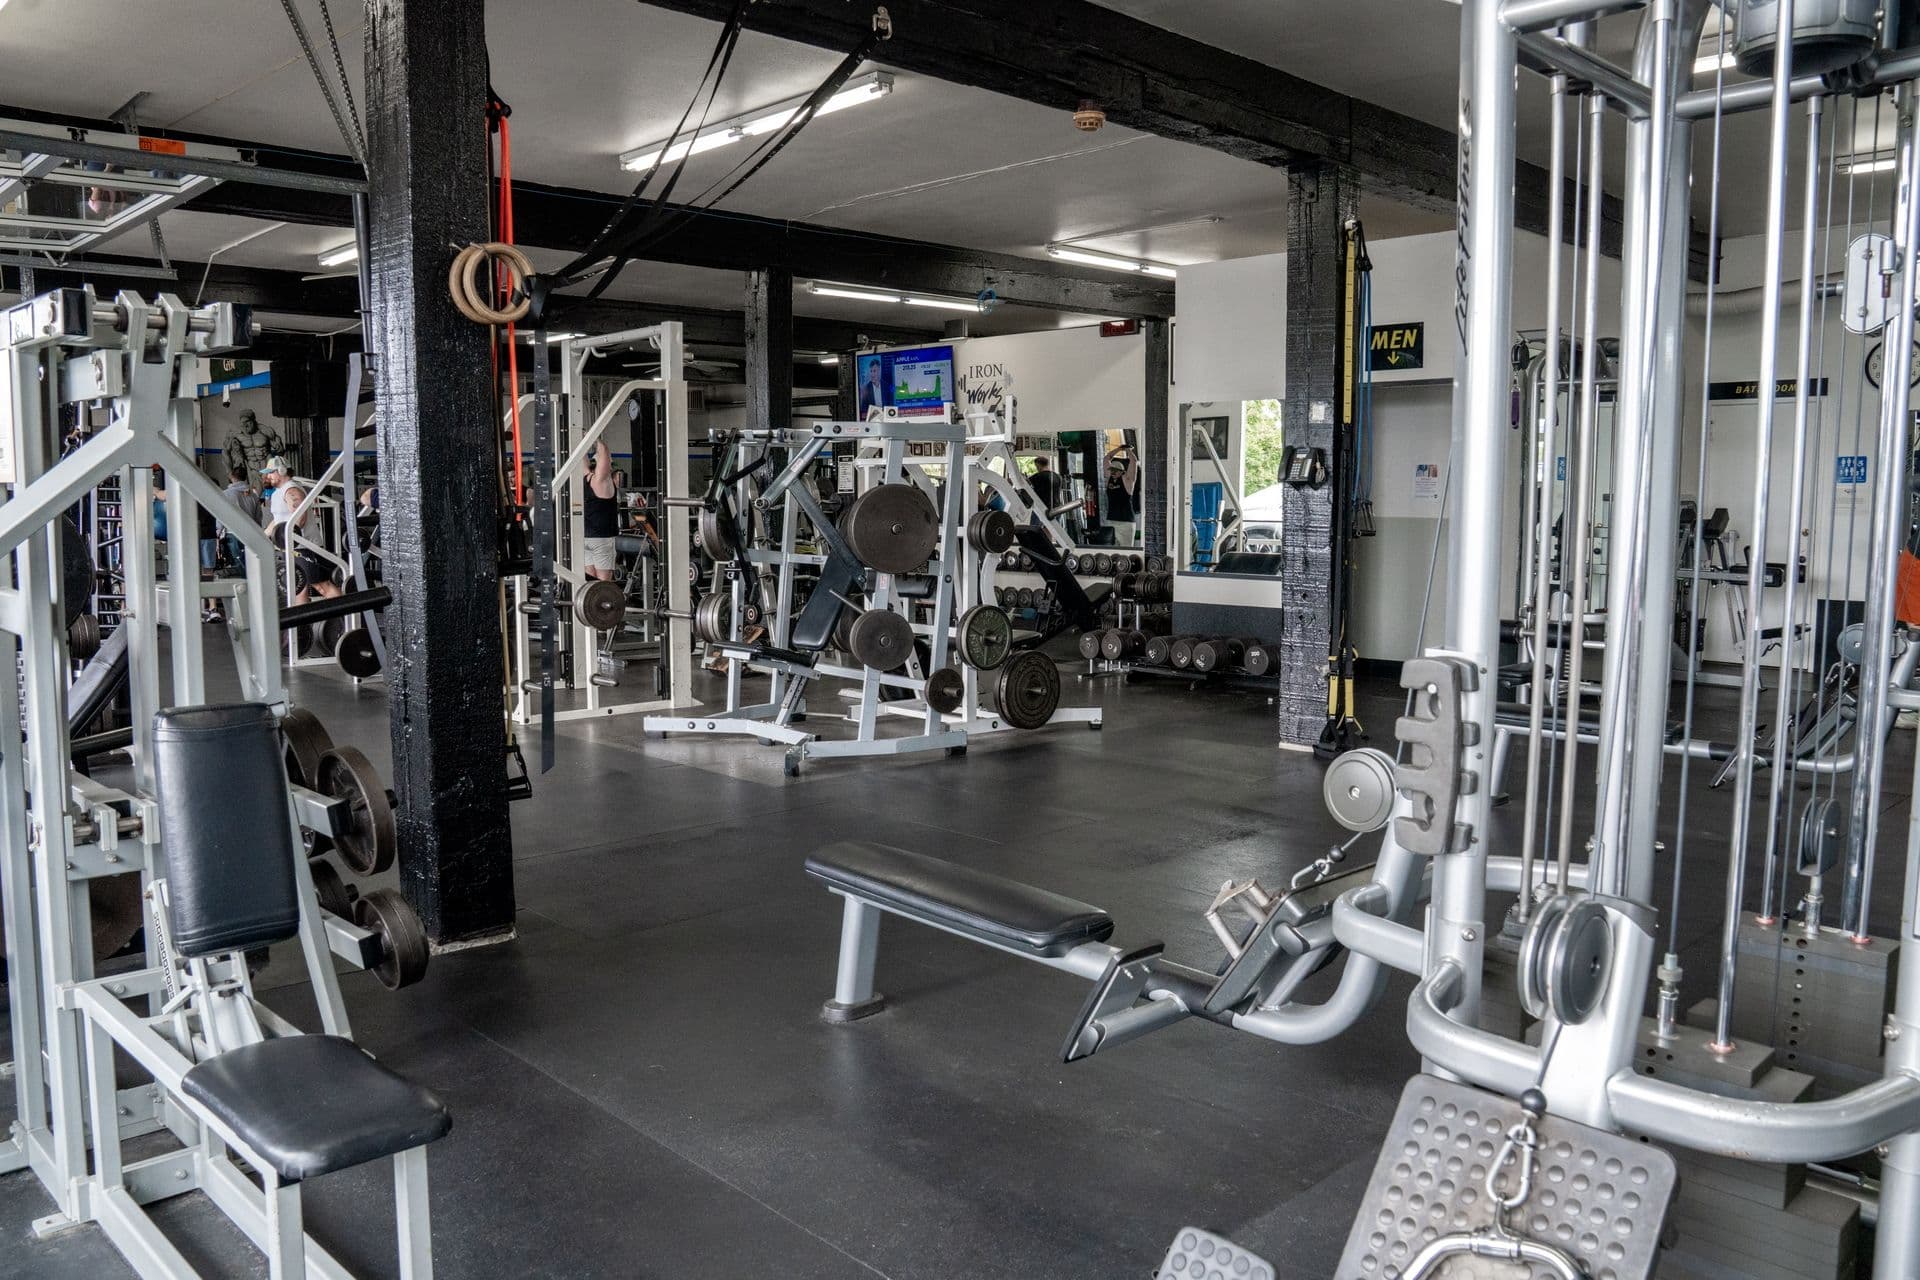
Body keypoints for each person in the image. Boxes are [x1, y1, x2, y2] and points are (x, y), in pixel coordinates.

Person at [261, 456, 340, 605]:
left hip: (304, 547)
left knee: (323, 587)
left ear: (282, 471)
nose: (267, 476)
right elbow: (278, 520)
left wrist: (285, 538)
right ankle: (302, 627)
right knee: (299, 589)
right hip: (290, 548)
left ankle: (351, 617)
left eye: (271, 472)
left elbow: (299, 520)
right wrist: (261, 535)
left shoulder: (292, 490)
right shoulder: (278, 492)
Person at [582, 439, 619, 581]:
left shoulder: (585, 478)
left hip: (585, 537)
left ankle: (589, 604)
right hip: (601, 540)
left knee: (590, 584)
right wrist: (595, 439)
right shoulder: (601, 481)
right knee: (604, 585)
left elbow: (581, 459)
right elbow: (603, 451)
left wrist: (582, 440)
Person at [219, 464, 261, 568]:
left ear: (231, 477)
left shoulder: (226, 494)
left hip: (233, 533)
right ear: (245, 477)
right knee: (251, 564)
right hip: (251, 533)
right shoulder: (253, 495)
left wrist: (218, 532)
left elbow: (221, 515)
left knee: (238, 565)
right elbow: (258, 516)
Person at [1104, 451, 1140, 546]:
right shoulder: (1109, 480)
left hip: (1126, 523)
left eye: (1115, 470)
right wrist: (1119, 448)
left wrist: (1127, 450)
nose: (1113, 472)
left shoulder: (1128, 481)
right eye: (1111, 470)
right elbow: (1106, 458)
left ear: (1121, 472)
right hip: (1111, 521)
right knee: (1111, 554)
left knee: (1126, 555)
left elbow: (1134, 461)